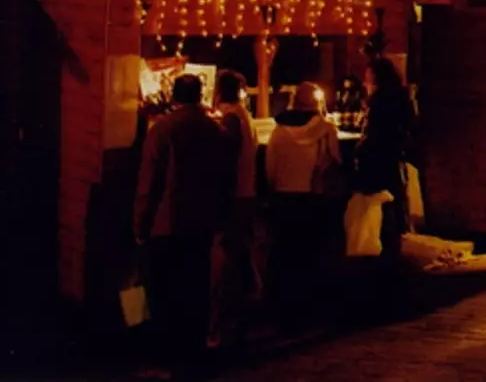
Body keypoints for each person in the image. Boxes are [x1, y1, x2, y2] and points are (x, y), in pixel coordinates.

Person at [134, 74, 228, 362]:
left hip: (167, 221)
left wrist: (141, 223)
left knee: (165, 290)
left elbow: (150, 183)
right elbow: (223, 178)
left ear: (174, 96)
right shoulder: (215, 130)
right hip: (201, 221)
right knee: (196, 286)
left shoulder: (162, 130)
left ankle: (167, 354)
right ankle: (194, 350)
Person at [266, 81, 342, 320]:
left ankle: (284, 306)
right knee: (312, 252)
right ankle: (311, 306)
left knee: (286, 254)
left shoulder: (278, 132)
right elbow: (336, 161)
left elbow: (270, 170)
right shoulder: (327, 129)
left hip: (284, 198)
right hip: (314, 197)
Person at [210, 70, 259, 348]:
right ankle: (245, 309)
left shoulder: (230, 118)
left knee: (229, 257)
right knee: (240, 252)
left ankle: (231, 320)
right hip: (247, 192)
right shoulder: (243, 115)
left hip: (235, 196)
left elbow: (226, 160)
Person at [355, 58, 415, 263]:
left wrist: (360, 149)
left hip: (379, 160)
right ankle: (397, 246)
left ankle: (384, 248)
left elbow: (374, 135)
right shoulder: (401, 99)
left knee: (380, 203)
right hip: (395, 158)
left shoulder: (379, 104)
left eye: (369, 79)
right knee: (394, 201)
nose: (365, 84)